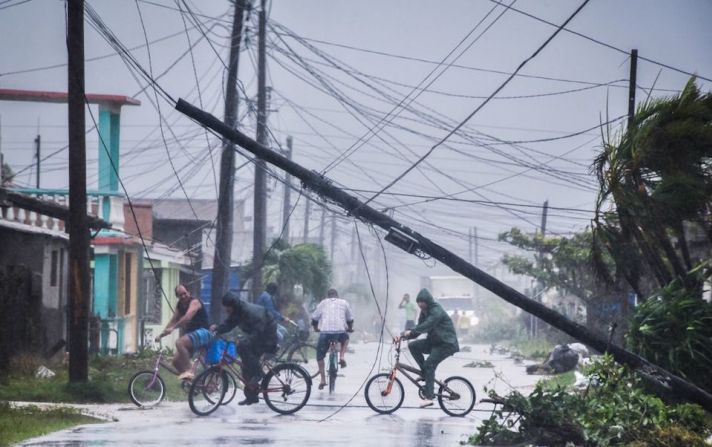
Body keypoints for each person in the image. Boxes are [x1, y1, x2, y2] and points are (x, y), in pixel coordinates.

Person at [210, 291, 279, 406]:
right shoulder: (237, 312)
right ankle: (251, 396)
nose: (226, 310)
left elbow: (259, 330)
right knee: (245, 366)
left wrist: (246, 340)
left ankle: (258, 373)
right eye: (225, 307)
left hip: (267, 335)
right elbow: (229, 324)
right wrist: (217, 328)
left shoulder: (248, 312)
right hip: (258, 334)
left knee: (242, 346)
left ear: (233, 305)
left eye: (228, 307)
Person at [395, 288, 459, 408]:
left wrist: (411, 331)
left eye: (422, 302)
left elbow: (428, 324)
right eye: (418, 302)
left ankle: (429, 397)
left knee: (429, 364)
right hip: (434, 342)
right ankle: (425, 374)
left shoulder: (436, 311)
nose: (420, 304)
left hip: (446, 343)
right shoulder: (423, 312)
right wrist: (403, 336)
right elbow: (419, 329)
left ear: (428, 301)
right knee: (413, 346)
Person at [155, 284, 211, 380]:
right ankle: (194, 383)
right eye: (180, 295)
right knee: (176, 362)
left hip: (204, 333)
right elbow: (173, 321)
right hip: (192, 336)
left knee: (180, 342)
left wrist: (173, 328)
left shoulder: (195, 302)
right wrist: (161, 335)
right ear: (177, 296)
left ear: (188, 292)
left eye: (185, 293)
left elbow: (187, 317)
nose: (183, 296)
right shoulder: (179, 306)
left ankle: (189, 371)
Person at [311, 288, 354, 390]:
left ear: (328, 296)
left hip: (325, 333)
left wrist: (316, 328)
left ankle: (323, 380)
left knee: (320, 356)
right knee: (346, 339)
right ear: (337, 296)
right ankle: (342, 356)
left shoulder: (323, 303)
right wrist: (350, 328)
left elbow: (314, 319)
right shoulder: (344, 303)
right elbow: (350, 319)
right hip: (339, 332)